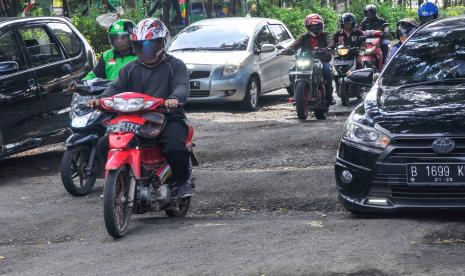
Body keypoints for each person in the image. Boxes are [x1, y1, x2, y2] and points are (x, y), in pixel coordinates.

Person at [90, 18, 193, 198]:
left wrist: (174, 99)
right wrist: (100, 99)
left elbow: (181, 87)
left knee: (174, 146)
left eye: (149, 45)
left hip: (167, 116)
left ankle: (182, 181)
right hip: (134, 118)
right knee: (103, 144)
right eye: (140, 46)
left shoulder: (175, 66)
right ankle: (117, 180)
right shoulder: (130, 68)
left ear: (161, 44)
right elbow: (115, 87)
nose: (145, 50)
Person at [284, 14, 335, 105]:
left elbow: (330, 41)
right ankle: (296, 93)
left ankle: (329, 96)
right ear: (308, 27)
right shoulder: (304, 37)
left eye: (316, 26)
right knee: (292, 70)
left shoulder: (326, 35)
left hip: (322, 60)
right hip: (306, 60)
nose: (314, 28)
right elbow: (295, 44)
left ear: (321, 26)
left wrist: (329, 47)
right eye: (312, 26)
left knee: (327, 70)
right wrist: (288, 49)